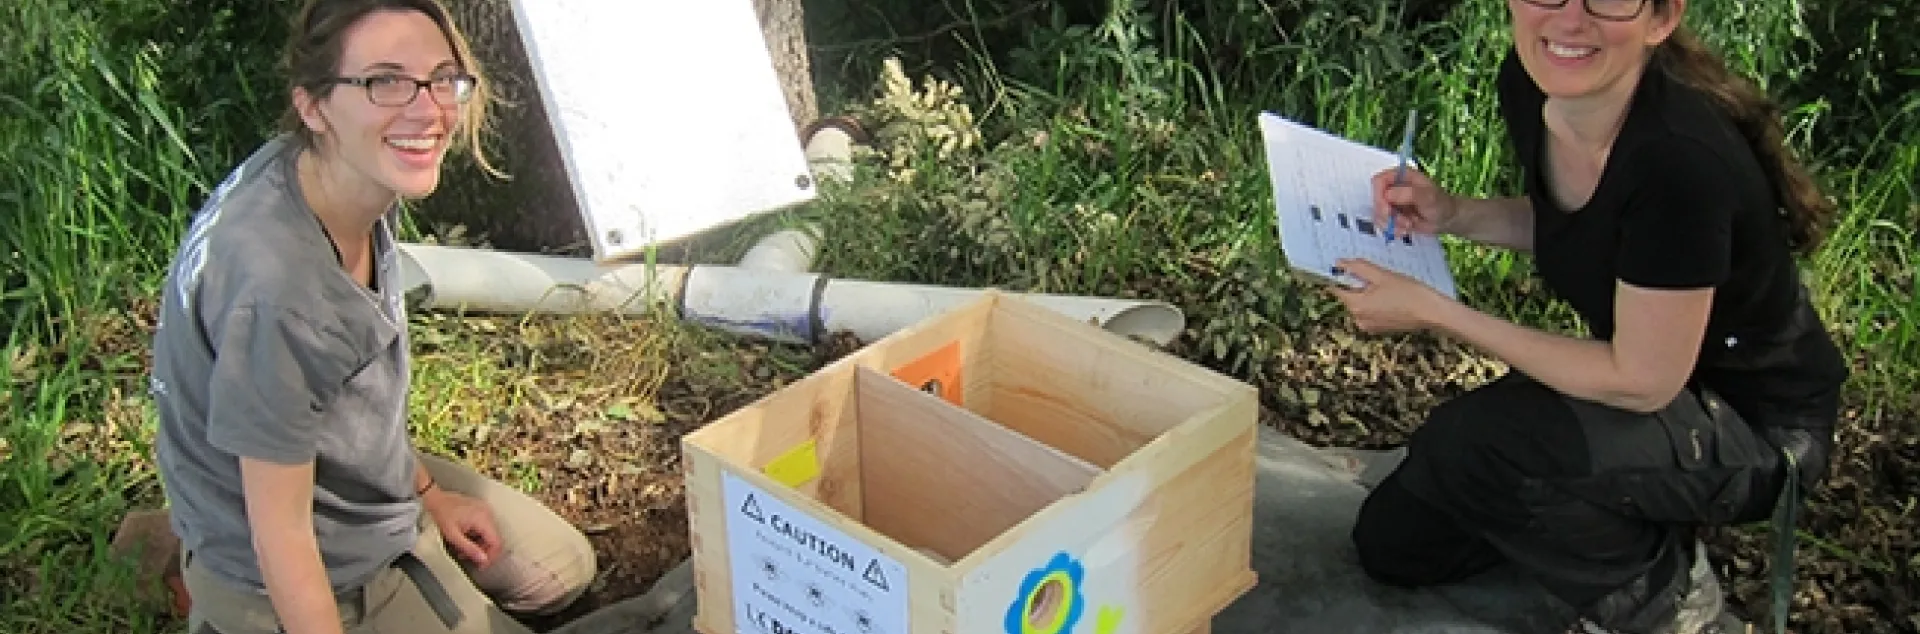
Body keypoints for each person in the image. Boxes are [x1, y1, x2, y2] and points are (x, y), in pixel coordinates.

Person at [1325, 0, 1848, 632]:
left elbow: (1640, 378)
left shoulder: (1678, 162)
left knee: (1479, 441)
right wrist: (1453, 212)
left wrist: (1438, 312)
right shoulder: (1531, 84)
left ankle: (1670, 598)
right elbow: (1585, 228)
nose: (1570, 19)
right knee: (1394, 545)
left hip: (1751, 424)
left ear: (1660, 19)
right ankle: (1601, 509)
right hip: (1657, 385)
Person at [148, 1, 598, 632]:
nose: (426, 109)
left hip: (335, 477)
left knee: (564, 569)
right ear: (314, 105)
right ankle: (213, 594)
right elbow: (282, 537)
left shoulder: (338, 174)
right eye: (384, 81)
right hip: (282, 555)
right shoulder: (279, 289)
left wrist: (427, 494)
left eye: (441, 78)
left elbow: (351, 390)